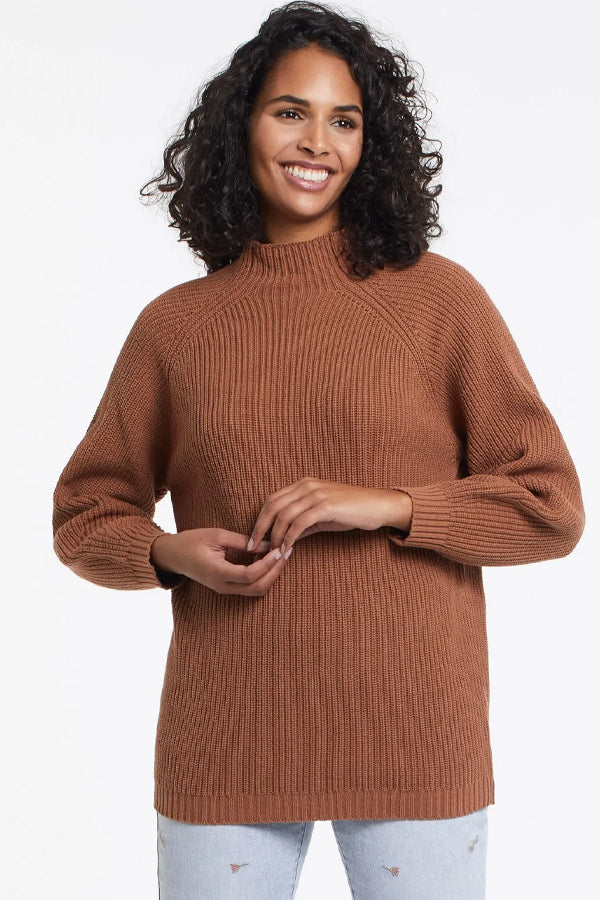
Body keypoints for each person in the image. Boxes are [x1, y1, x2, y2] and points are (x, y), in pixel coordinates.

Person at [51, 2, 586, 898]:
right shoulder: (176, 328)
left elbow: (550, 506)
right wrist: (168, 554)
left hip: (414, 738)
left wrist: (387, 505)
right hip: (229, 737)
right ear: (242, 127)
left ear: (371, 145)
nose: (317, 142)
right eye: (291, 111)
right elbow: (84, 514)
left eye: (346, 120)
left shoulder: (440, 302)